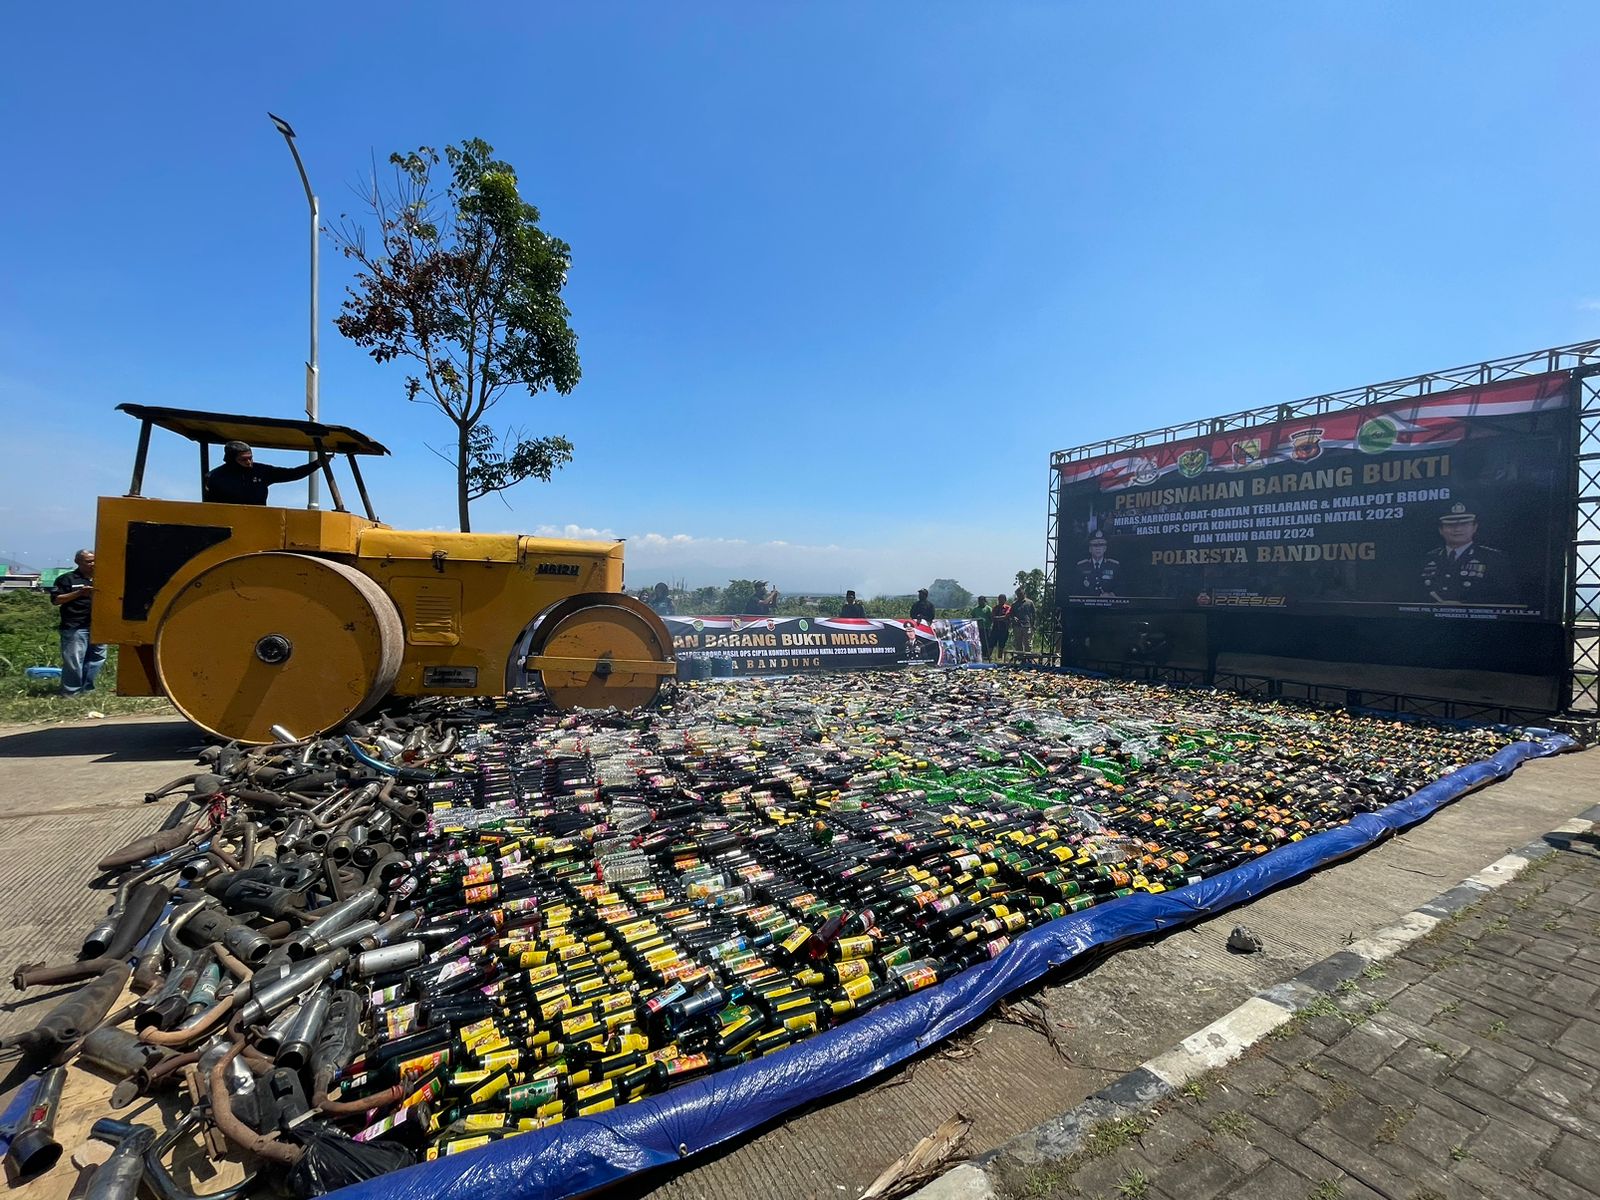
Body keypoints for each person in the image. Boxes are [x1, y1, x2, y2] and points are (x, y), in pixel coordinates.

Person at [1420, 503, 1509, 604]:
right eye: (1450, 525)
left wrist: (1464, 606)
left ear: (1474, 527)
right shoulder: (1429, 558)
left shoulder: (1493, 558)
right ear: (1441, 530)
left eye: (1464, 524)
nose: (1457, 529)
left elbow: (1507, 597)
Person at [204, 441, 328, 506]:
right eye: (243, 459)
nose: (249, 462)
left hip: (258, 521)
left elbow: (292, 473)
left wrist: (316, 464)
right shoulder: (215, 477)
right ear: (231, 460)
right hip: (227, 524)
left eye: (250, 458)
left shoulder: (261, 471)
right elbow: (209, 508)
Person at [52, 550, 106, 696]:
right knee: (74, 661)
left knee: (97, 658)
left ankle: (87, 689)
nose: (92, 564)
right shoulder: (67, 579)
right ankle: (71, 692)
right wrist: (79, 593)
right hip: (75, 626)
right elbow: (56, 600)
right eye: (88, 561)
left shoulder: (102, 578)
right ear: (78, 562)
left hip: (98, 626)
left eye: (94, 560)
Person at [1075, 531, 1120, 596]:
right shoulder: (1081, 566)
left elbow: (1121, 586)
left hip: (1108, 605)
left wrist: (1111, 595)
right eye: (1095, 545)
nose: (1098, 548)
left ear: (1105, 548)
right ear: (1090, 549)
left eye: (1101, 545)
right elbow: (1076, 590)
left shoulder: (1114, 566)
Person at [1011, 586, 1036, 657]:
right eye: (1018, 594)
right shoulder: (1014, 604)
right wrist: (1014, 617)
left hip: (1027, 625)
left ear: (1024, 593)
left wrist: (1033, 624)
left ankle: (1028, 658)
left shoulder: (1030, 602)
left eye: (1020, 594)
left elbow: (1034, 614)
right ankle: (1020, 658)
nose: (1019, 596)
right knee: (1018, 643)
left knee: (1027, 643)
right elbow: (1011, 614)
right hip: (1017, 626)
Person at [990, 592, 1012, 659]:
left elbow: (1006, 616)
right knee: (991, 643)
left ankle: (999, 658)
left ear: (1005, 600)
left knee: (1001, 644)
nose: (1000, 601)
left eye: (1002, 599)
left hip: (1004, 628)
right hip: (995, 628)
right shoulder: (995, 608)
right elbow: (992, 617)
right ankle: (989, 657)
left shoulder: (1008, 608)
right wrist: (1000, 618)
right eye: (999, 599)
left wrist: (998, 618)